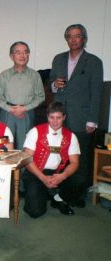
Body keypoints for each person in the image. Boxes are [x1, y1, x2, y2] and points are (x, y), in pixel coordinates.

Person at [50, 24, 103, 206]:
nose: (73, 39)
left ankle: (76, 195)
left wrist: (93, 119)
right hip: (60, 119)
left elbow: (97, 93)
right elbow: (51, 83)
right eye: (70, 36)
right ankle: (62, 192)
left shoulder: (94, 62)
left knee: (80, 159)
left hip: (82, 119)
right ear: (66, 39)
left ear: (84, 39)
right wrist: (54, 85)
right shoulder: (58, 59)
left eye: (77, 36)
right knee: (61, 157)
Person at [22, 102, 83, 218]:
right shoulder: (35, 131)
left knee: (80, 180)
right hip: (36, 172)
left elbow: (75, 162)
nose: (55, 121)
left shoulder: (71, 136)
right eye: (52, 117)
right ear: (47, 117)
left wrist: (63, 176)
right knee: (35, 212)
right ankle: (46, 192)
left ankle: (57, 198)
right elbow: (27, 159)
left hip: (58, 172)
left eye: (58, 118)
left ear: (64, 117)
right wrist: (43, 178)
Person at [0, 41, 45, 150]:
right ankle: (7, 167)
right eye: (18, 53)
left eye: (25, 52)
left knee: (25, 146)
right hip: (8, 112)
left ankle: (22, 168)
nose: (22, 55)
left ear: (28, 55)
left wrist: (24, 108)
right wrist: (11, 109)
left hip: (27, 112)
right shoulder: (4, 75)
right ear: (11, 56)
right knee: (5, 146)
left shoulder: (35, 75)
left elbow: (41, 96)